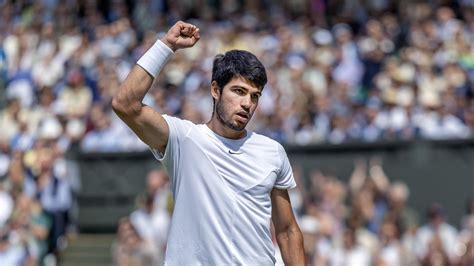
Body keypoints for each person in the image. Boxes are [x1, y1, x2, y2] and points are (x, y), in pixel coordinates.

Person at [112, 21, 306, 265]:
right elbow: (125, 104)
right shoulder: (184, 139)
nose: (247, 103)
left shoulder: (273, 152)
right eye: (238, 91)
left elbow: (287, 231)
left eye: (254, 95)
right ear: (215, 89)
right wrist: (166, 45)